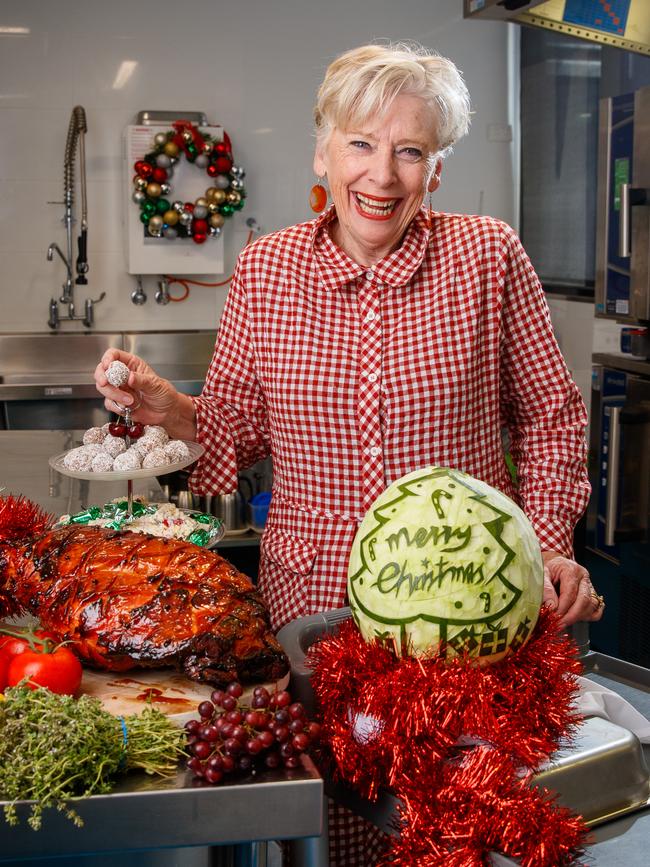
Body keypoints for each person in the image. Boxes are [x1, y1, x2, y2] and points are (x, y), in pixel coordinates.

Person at [96, 42, 604, 865]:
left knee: (463, 827)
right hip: (315, 621)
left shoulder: (486, 257)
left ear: (436, 169)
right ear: (323, 152)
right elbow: (236, 428)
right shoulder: (267, 270)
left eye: (410, 150)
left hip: (464, 624)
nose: (383, 173)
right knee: (334, 827)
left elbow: (550, 417)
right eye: (362, 144)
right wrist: (174, 411)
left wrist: (543, 542)